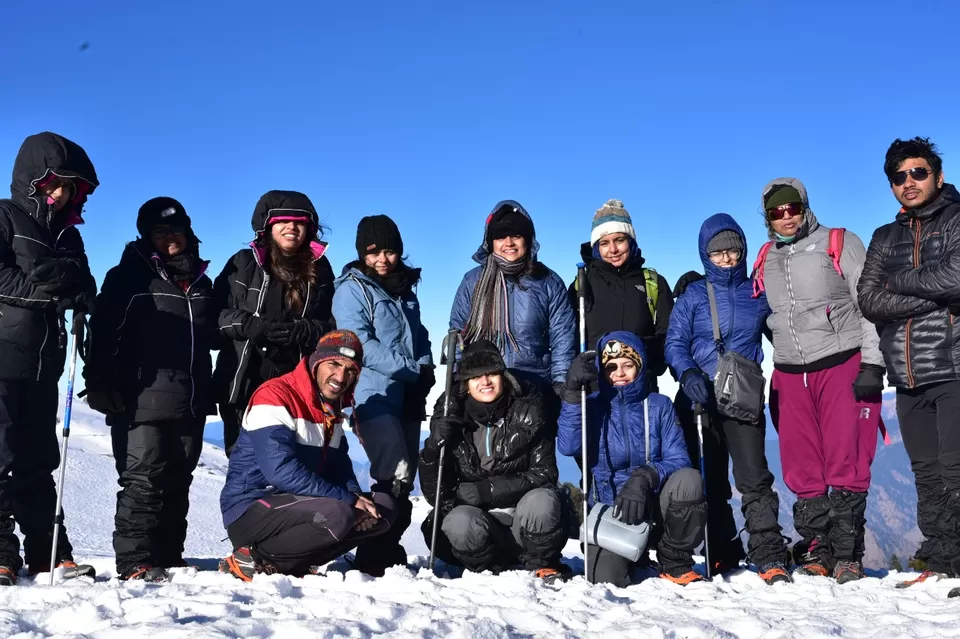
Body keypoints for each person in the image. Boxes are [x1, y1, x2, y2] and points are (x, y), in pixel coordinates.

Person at [756, 178, 884, 583]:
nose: (786, 216)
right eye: (776, 212)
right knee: (802, 464)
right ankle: (817, 549)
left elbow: (871, 304)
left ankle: (847, 555)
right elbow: (758, 312)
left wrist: (872, 365)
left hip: (841, 363)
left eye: (792, 208)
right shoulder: (766, 257)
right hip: (790, 372)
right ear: (768, 218)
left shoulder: (840, 242)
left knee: (846, 458)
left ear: (804, 206)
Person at [83, 197, 217, 581]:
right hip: (139, 398)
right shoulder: (128, 277)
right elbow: (104, 333)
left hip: (190, 399)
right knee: (143, 481)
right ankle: (135, 562)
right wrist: (100, 381)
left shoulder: (201, 282)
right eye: (160, 231)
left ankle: (169, 555)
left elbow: (212, 336)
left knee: (179, 481)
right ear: (146, 235)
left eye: (177, 229)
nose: (170, 237)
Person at [665, 213, 789, 584]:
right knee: (712, 481)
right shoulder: (693, 296)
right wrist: (686, 374)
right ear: (706, 255)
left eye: (733, 250)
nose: (727, 258)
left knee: (754, 477)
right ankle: (722, 551)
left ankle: (769, 554)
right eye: (718, 253)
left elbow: (779, 334)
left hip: (744, 398)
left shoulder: (757, 293)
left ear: (742, 249)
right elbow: (675, 343)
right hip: (701, 399)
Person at [858, 137, 960, 581]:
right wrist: (931, 299)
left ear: (937, 176)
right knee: (926, 473)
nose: (908, 182)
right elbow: (868, 300)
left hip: (954, 365)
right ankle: (941, 561)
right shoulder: (885, 236)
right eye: (899, 177)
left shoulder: (957, 219)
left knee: (957, 469)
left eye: (918, 172)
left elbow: (957, 276)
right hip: (906, 373)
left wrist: (898, 282)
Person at [0, 132, 99, 586]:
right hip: (2, 358)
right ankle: (2, 553)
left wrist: (78, 292)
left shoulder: (67, 236)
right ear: (33, 179)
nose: (60, 194)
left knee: (39, 460)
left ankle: (50, 552)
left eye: (69, 188)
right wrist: (50, 292)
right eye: (54, 184)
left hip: (45, 364)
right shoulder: (5, 215)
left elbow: (82, 284)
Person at [219, 330, 395, 579]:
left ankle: (294, 563)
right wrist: (348, 501)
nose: (341, 376)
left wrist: (356, 497)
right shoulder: (275, 396)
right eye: (334, 364)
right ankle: (251, 558)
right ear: (316, 363)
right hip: (253, 508)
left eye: (351, 370)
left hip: (303, 504)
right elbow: (280, 471)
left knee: (383, 509)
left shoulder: (330, 409)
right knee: (338, 513)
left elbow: (340, 468)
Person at [557, 331, 706, 587]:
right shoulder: (590, 407)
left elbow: (679, 459)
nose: (620, 373)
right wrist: (571, 394)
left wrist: (644, 476)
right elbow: (568, 446)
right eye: (611, 367)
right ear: (602, 373)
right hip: (611, 511)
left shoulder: (659, 405)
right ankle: (633, 559)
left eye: (628, 365)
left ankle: (674, 561)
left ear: (640, 366)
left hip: (654, 505)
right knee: (606, 579)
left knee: (689, 480)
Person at [332, 214, 434, 575]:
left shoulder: (404, 289)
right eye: (373, 252)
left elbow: (420, 337)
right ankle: (372, 554)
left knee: (404, 480)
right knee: (393, 472)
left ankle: (384, 548)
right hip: (372, 395)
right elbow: (360, 344)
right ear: (362, 254)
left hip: (407, 395)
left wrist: (426, 369)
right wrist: (412, 371)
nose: (383, 260)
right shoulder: (352, 289)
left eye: (389, 251)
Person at [419, 340, 568, 582]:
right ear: (466, 384)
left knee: (543, 500)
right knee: (458, 521)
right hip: (481, 524)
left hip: (523, 518)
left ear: (504, 376)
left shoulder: (530, 410)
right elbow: (436, 495)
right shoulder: (450, 419)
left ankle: (543, 564)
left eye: (492, 373)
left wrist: (484, 491)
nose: (485, 381)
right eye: (476, 376)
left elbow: (545, 474)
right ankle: (486, 570)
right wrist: (433, 449)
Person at [214, 190, 336, 456]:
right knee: (245, 466)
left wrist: (304, 330)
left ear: (310, 228)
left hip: (297, 385)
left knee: (294, 465)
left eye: (300, 222)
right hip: (245, 382)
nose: (292, 227)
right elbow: (214, 319)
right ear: (267, 226)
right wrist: (250, 326)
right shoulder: (243, 263)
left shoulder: (320, 268)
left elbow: (331, 326)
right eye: (283, 221)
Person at [449, 200, 575, 413]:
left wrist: (560, 384)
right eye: (500, 237)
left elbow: (563, 338)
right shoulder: (473, 282)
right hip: (485, 387)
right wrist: (455, 379)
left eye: (516, 236)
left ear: (528, 240)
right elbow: (457, 335)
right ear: (490, 243)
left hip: (534, 389)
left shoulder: (548, 282)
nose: (508, 242)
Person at [568, 199, 673, 392]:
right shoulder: (582, 285)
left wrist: (640, 351)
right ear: (596, 248)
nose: (613, 250)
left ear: (631, 241)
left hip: (641, 388)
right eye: (604, 243)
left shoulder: (653, 283)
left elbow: (668, 335)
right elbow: (569, 338)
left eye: (619, 240)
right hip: (595, 391)